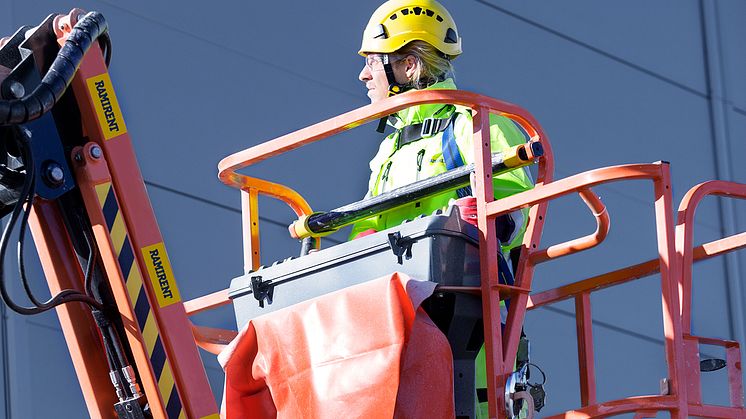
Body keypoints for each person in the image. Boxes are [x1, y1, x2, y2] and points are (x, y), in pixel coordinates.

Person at [351, 1, 535, 417]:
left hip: (466, 323)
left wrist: (479, 220)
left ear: (410, 66)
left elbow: (513, 212)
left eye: (372, 63)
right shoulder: (390, 147)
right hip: (395, 324)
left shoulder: (475, 122)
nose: (363, 75)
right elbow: (364, 233)